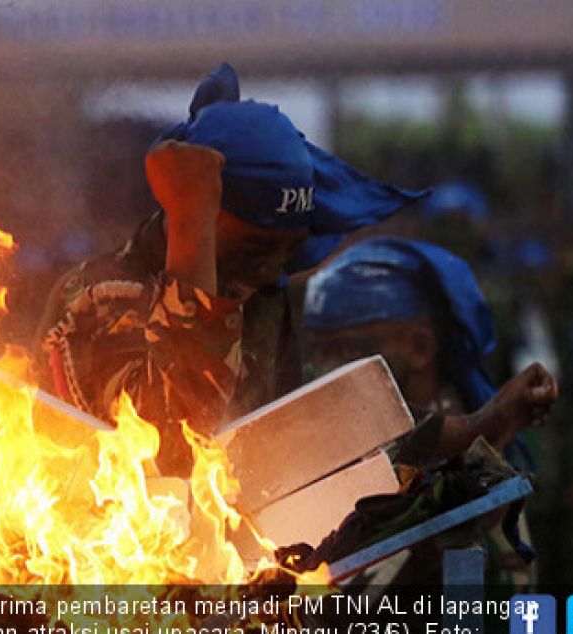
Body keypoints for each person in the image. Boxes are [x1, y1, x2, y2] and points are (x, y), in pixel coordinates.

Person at [36, 64, 427, 475]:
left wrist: (433, 435)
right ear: (198, 216)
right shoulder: (98, 297)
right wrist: (192, 227)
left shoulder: (257, 291)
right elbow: (174, 450)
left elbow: (288, 418)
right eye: (252, 250)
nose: (269, 272)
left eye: (288, 251)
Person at [301, 237, 557, 588]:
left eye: (349, 351)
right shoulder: (344, 436)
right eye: (317, 353)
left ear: (419, 348)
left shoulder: (462, 472)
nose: (327, 372)